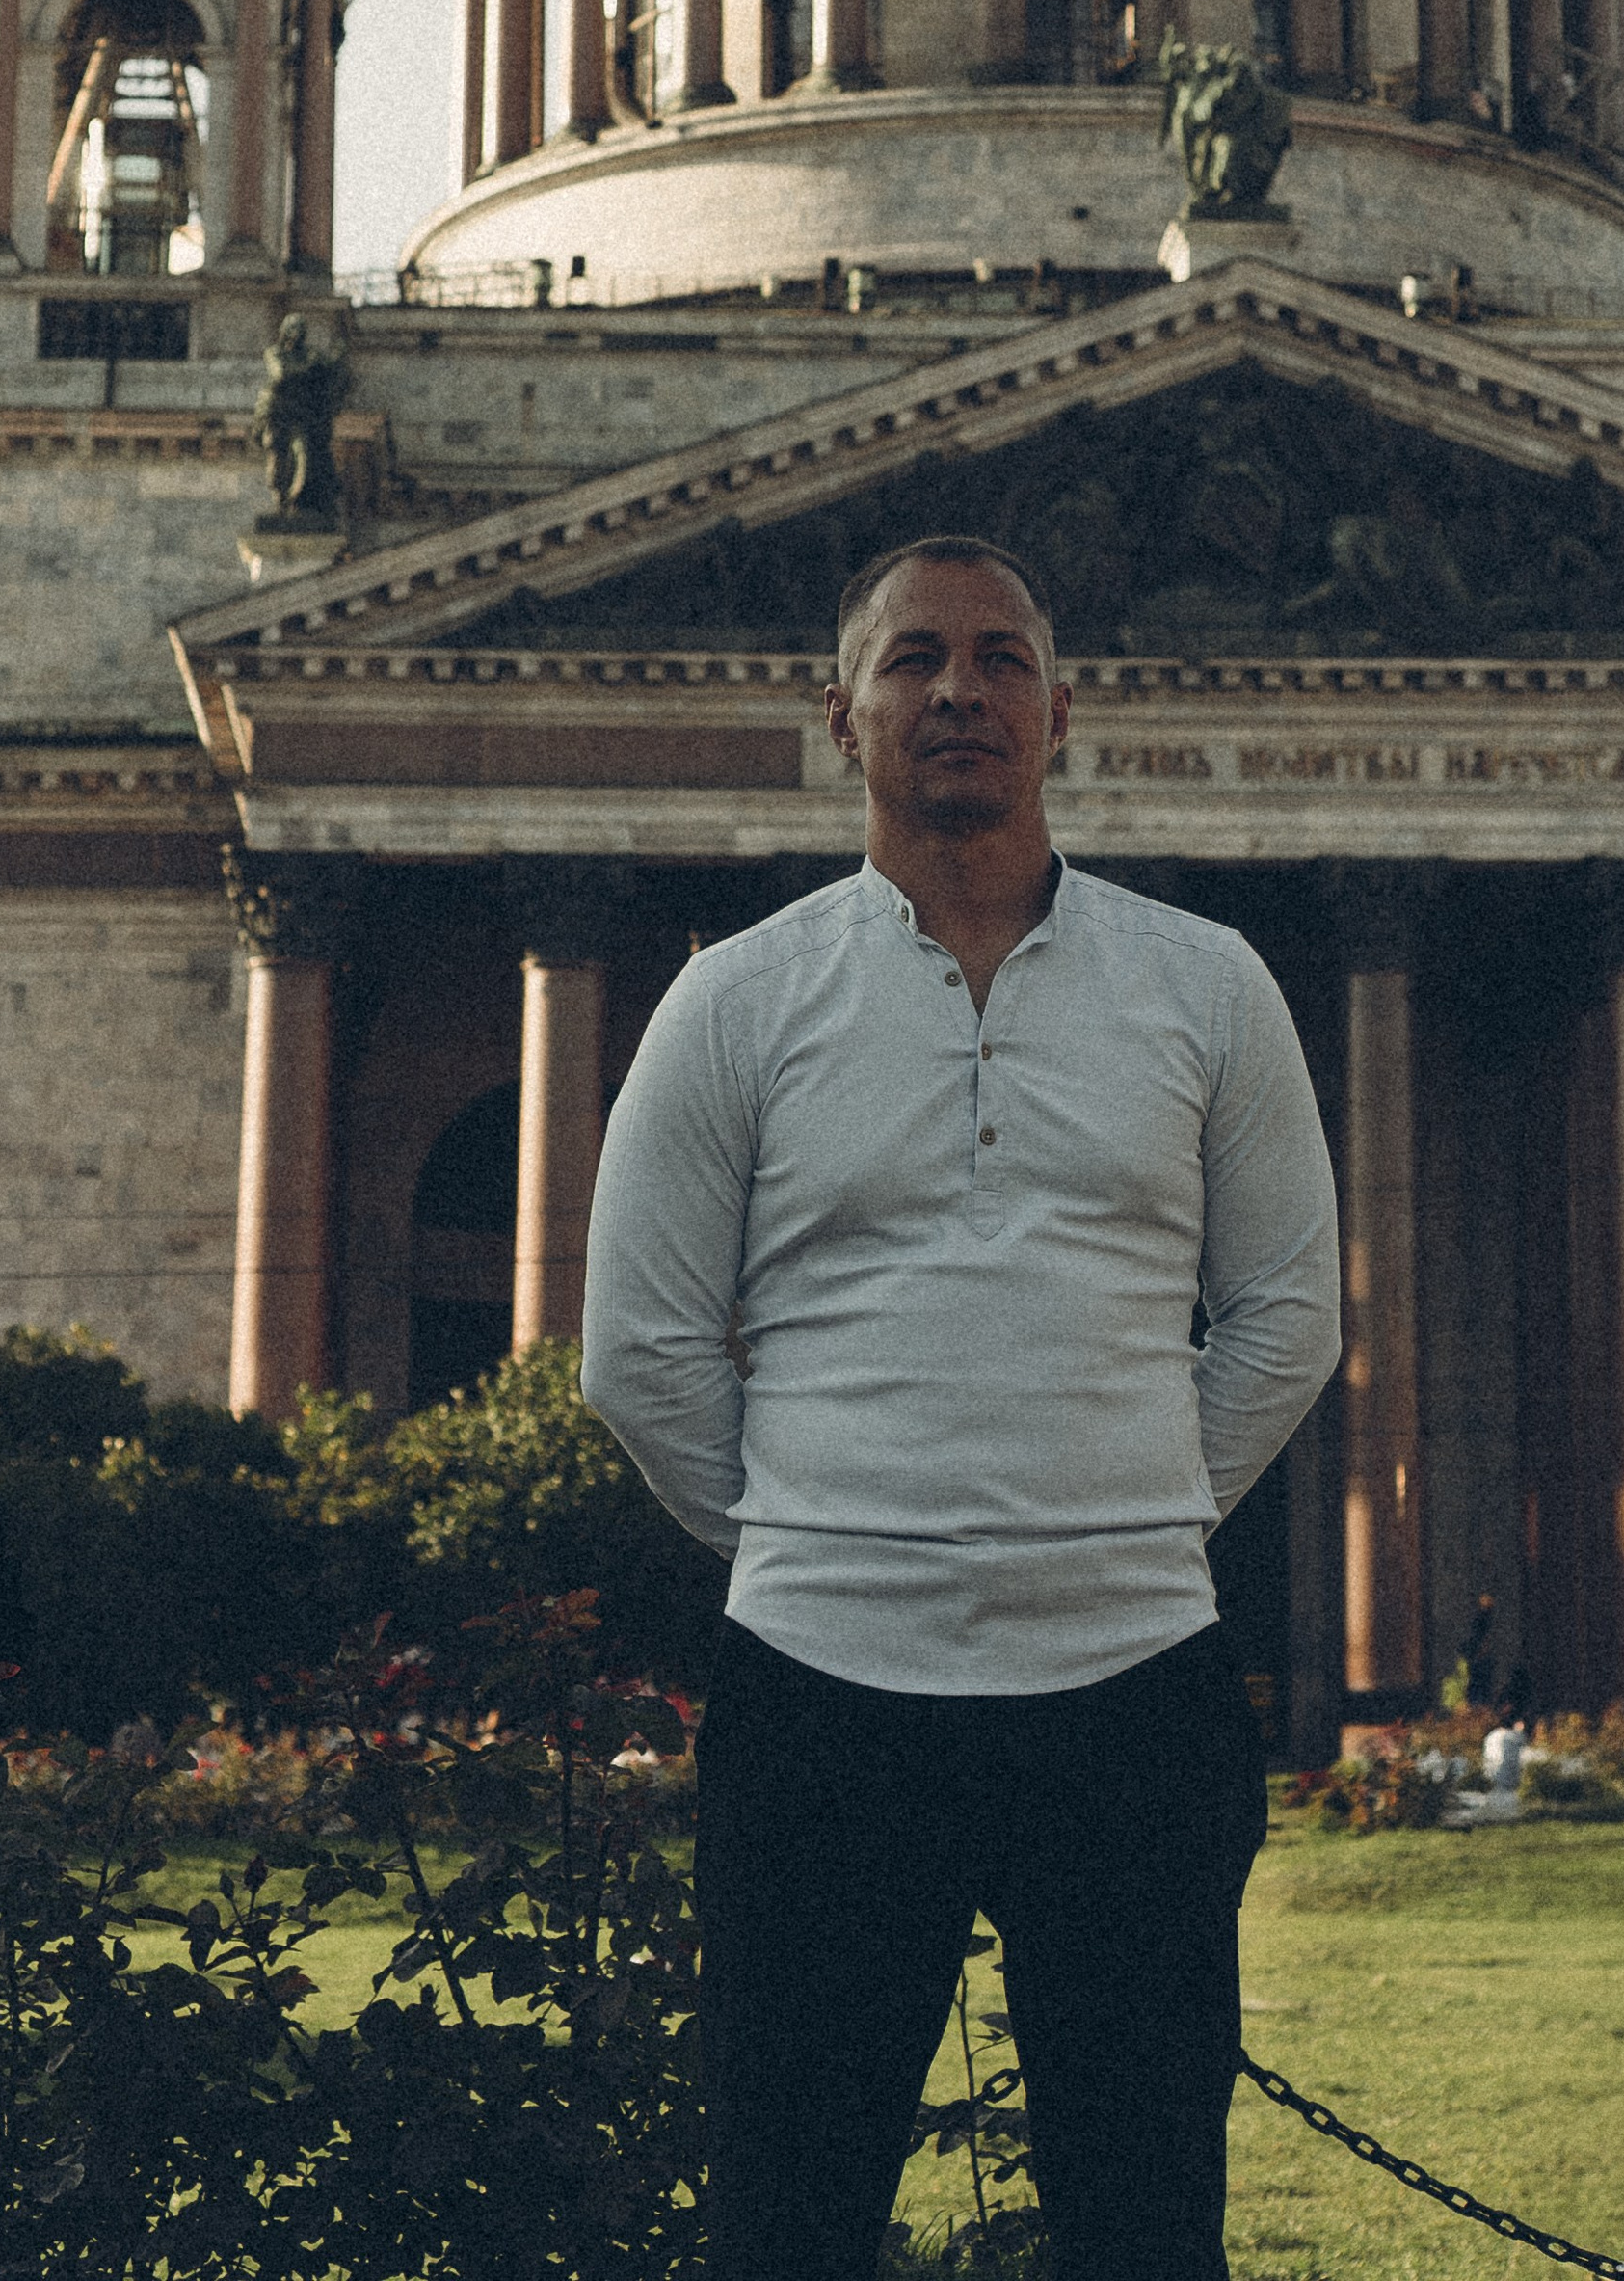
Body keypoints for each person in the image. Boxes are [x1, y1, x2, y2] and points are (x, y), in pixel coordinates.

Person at [582, 534, 1342, 2281]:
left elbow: (1291, 1313)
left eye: (1000, 658)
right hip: (822, 1697)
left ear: (1061, 713)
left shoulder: (1207, 985)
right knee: (793, 2212)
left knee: (1149, 2220)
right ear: (837, 715)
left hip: (1134, 1688)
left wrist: (1128, 1506)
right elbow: (642, 1351)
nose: (958, 692)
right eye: (914, 659)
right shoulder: (739, 999)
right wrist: (828, 1533)